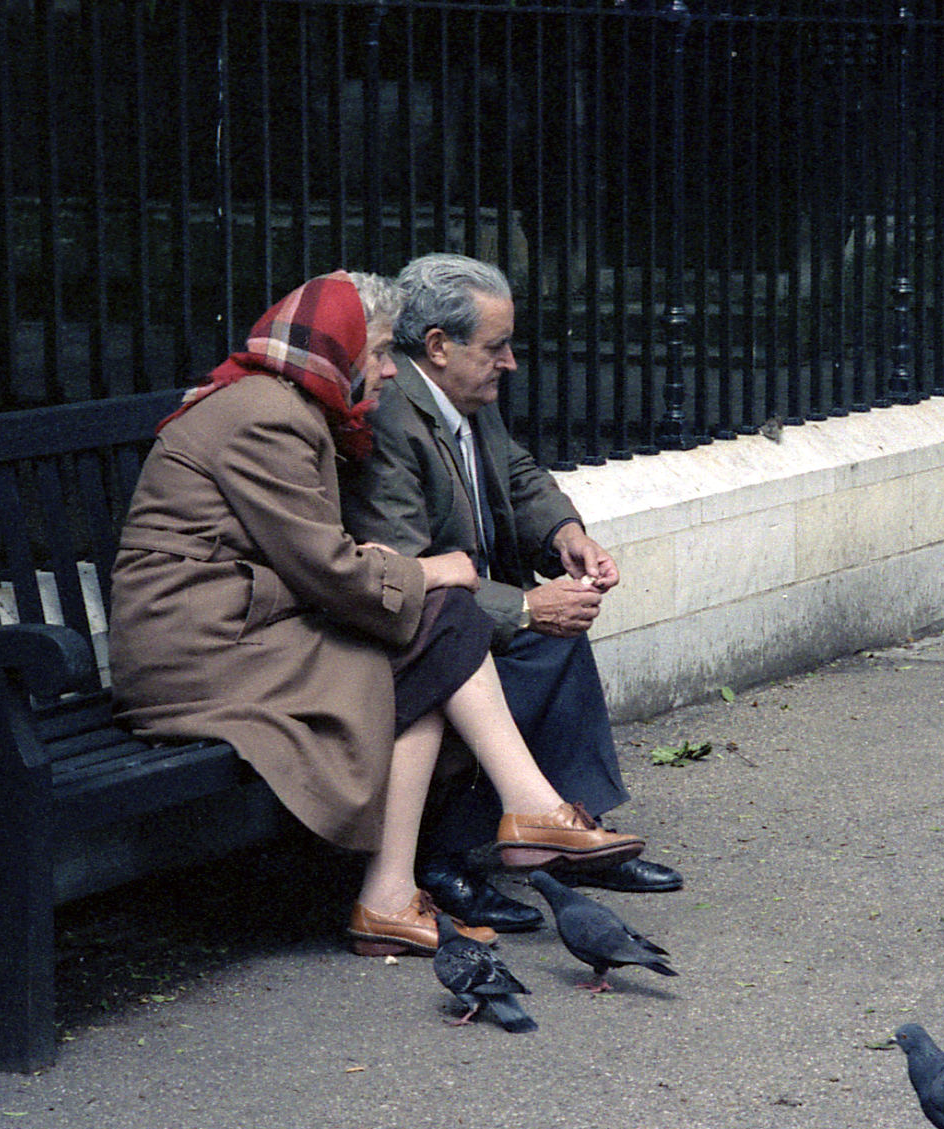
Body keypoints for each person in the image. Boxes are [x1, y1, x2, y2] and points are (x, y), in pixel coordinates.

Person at [109, 270, 641, 958]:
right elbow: (328, 568)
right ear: (341, 349)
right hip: (201, 653)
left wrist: (528, 549)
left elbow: (328, 561)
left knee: (434, 636)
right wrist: (436, 569)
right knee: (440, 617)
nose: (391, 368)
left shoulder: (291, 406)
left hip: (246, 631)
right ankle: (513, 822)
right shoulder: (265, 416)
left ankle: (400, 890)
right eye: (383, 350)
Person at [342, 253, 681, 935]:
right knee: (524, 637)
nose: (512, 363)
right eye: (496, 346)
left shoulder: (466, 396)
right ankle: (444, 863)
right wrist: (524, 606)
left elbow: (520, 476)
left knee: (559, 630)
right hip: (413, 628)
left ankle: (567, 829)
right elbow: (406, 573)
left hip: (461, 605)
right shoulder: (392, 417)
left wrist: (566, 535)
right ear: (437, 346)